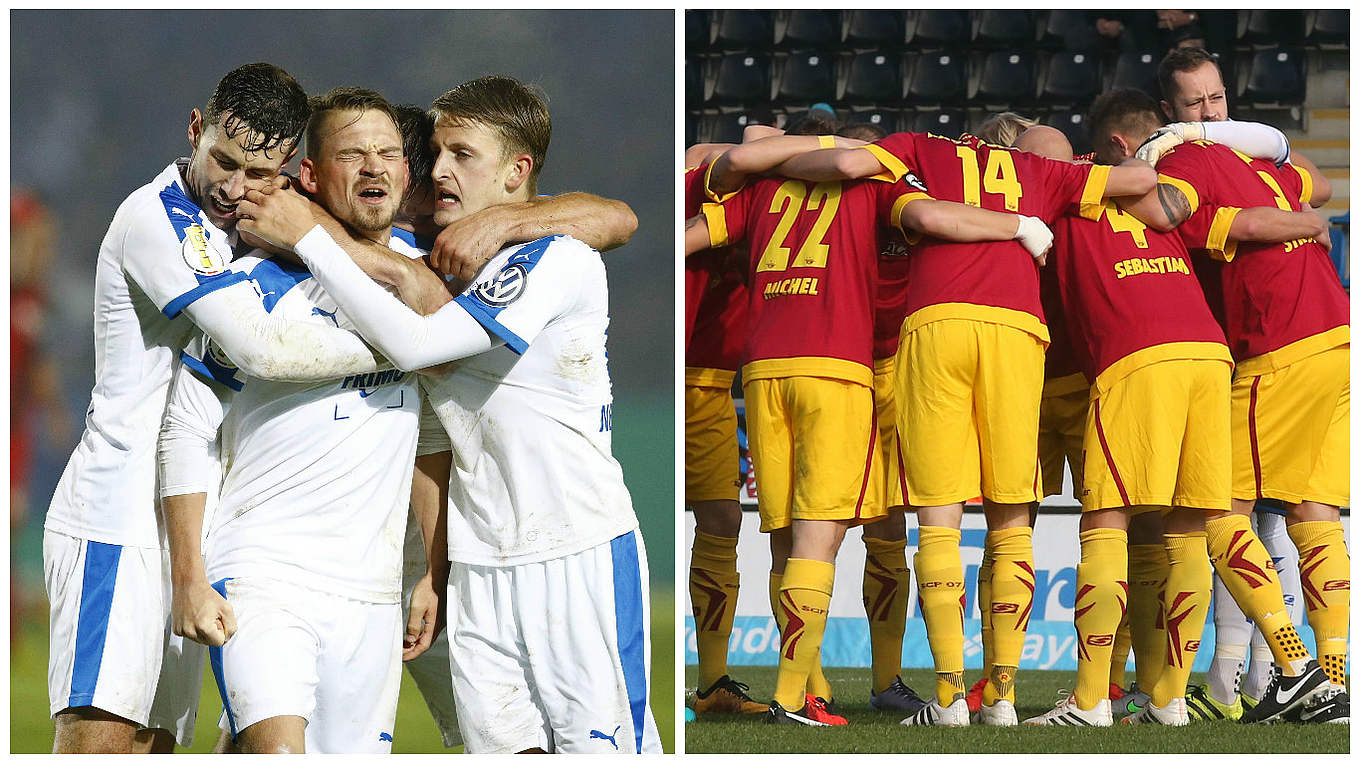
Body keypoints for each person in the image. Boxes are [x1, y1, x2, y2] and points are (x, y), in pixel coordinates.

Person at [238, 74, 662, 753]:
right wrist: (437, 572)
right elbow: (437, 428)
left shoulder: (552, 256)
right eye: (435, 154)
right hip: (478, 564)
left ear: (517, 171)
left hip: (572, 545)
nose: (438, 171)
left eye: (460, 155)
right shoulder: (442, 247)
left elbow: (615, 217)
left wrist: (326, 244)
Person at [41, 62, 394, 754]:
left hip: (189, 520)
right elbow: (260, 348)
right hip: (117, 517)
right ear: (195, 130)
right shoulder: (154, 221)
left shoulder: (260, 220)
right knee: (104, 740)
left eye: (258, 174)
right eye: (223, 162)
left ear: (289, 165)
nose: (235, 188)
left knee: (156, 743)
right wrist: (407, 347)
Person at [775, 132, 1155, 727]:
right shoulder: (1041, 169)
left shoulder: (917, 150)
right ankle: (1001, 695)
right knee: (1011, 515)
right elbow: (1139, 181)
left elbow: (850, 166)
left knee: (939, 516)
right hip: (1016, 331)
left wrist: (778, 157)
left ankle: (949, 698)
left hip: (936, 324)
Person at [691, 130, 1058, 727]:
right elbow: (937, 216)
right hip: (853, 361)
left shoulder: (758, 190)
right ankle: (808, 694)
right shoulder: (878, 183)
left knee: (789, 530)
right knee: (838, 529)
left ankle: (854, 683)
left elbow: (700, 216)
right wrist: (1018, 225)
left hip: (769, 364)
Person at [1013, 116, 1324, 727]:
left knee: (1105, 526)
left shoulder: (1055, 192)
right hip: (1210, 356)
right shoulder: (1158, 191)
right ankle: (1170, 700)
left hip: (1136, 358)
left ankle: (1088, 702)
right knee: (1187, 531)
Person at [160, 88, 438, 753]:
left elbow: (432, 432)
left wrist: (435, 569)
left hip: (371, 598)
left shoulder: (427, 277)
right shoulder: (254, 287)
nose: (374, 169)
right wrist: (191, 579)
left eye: (388, 153)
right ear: (309, 176)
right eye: (352, 155)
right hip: (265, 574)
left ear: (406, 171)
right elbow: (185, 427)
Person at [1105, 85, 1346, 724]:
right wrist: (1306, 215)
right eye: (1196, 105)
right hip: (1335, 332)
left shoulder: (1189, 161)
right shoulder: (1260, 163)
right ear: (1170, 111)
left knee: (1216, 512)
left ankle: (1296, 672)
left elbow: (1198, 219)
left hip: (1280, 340)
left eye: (1217, 100)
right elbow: (1315, 189)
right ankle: (1333, 677)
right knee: (1312, 512)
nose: (1210, 114)